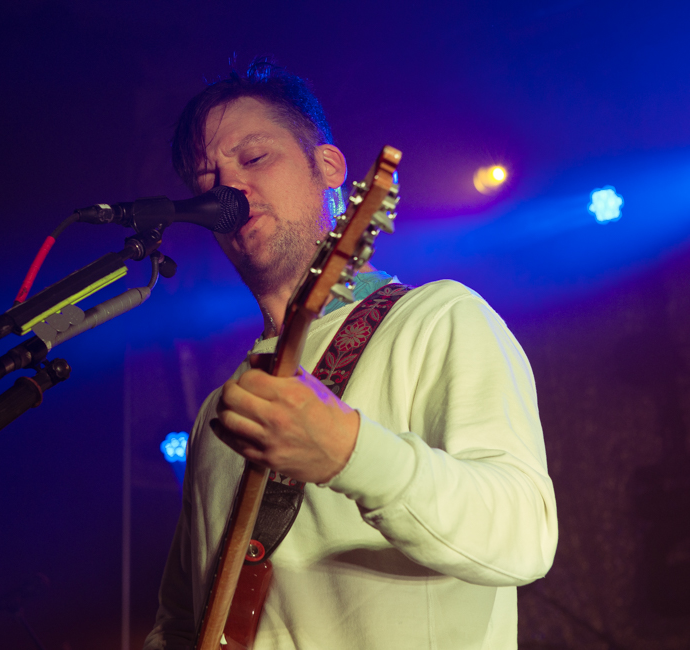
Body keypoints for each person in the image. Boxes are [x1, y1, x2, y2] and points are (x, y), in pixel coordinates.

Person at [144, 59, 558, 650]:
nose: (229, 188)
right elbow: (181, 623)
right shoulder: (217, 413)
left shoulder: (437, 317)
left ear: (329, 167)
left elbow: (525, 535)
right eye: (209, 177)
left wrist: (351, 452)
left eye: (255, 158)